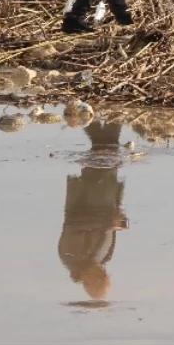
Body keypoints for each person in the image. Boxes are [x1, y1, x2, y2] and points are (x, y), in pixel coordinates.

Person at [58, 119, 128, 303]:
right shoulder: (103, 259)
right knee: (107, 145)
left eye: (102, 276)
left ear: (88, 280)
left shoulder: (69, 256)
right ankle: (100, 112)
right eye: (105, 275)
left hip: (89, 195)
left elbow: (74, 223)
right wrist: (118, 219)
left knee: (106, 145)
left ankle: (92, 113)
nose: (104, 271)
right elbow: (109, 231)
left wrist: (109, 222)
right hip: (106, 196)